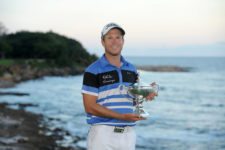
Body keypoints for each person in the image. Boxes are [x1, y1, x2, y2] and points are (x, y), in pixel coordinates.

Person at [82, 22, 157, 150]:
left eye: (118, 37)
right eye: (109, 37)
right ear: (102, 42)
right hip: (103, 136)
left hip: (128, 135)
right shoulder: (93, 70)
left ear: (123, 41)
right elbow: (90, 107)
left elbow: (132, 100)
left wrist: (146, 93)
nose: (114, 41)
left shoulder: (131, 69)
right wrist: (122, 117)